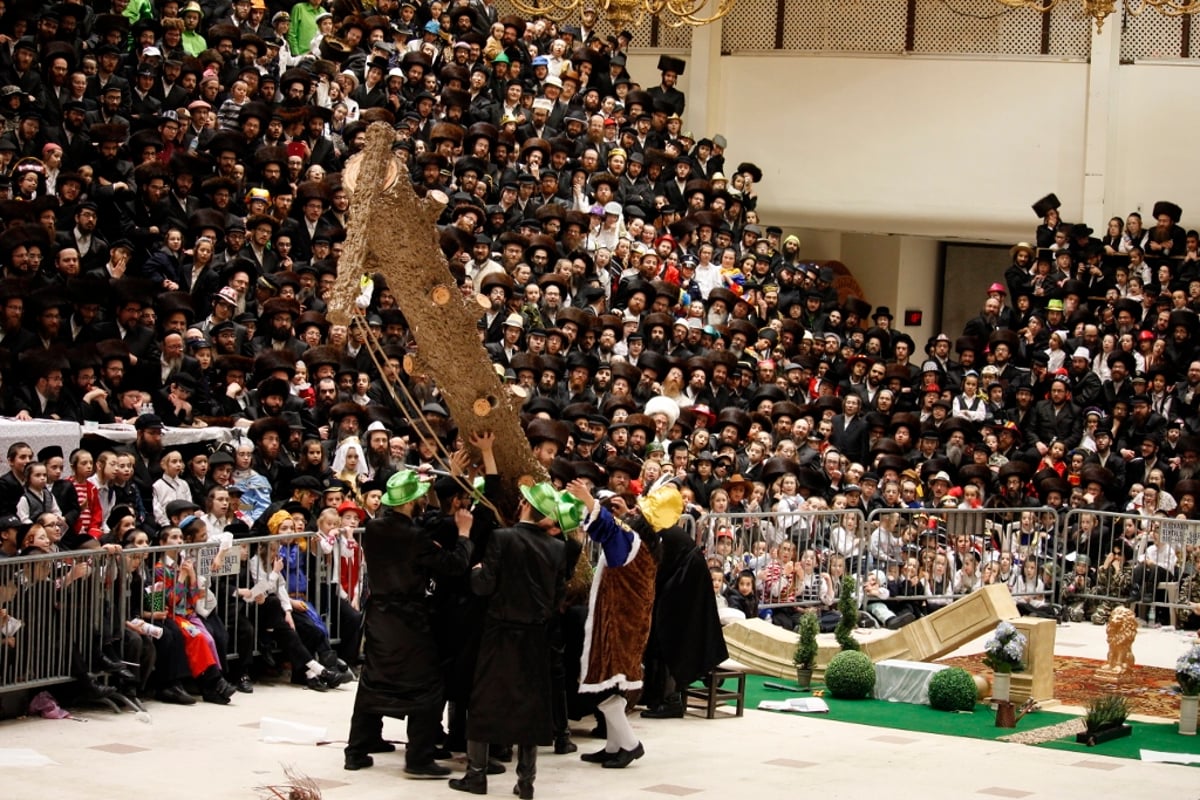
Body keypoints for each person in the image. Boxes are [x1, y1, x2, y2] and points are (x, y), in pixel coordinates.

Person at [345, 469, 472, 777]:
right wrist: (465, 534)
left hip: (378, 614)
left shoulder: (373, 528)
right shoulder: (415, 537)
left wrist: (423, 491)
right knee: (427, 685)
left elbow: (415, 522)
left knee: (373, 678)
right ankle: (419, 757)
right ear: (413, 501)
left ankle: (358, 749)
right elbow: (453, 565)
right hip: (409, 618)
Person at [449, 481, 568, 799]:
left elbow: (483, 585)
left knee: (484, 702)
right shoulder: (558, 548)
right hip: (535, 635)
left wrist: (475, 570)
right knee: (530, 707)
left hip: (500, 632)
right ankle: (526, 782)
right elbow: (559, 595)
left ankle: (476, 775)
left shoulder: (503, 538)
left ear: (526, 506)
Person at [565, 479, 682, 769]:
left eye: (637, 512)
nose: (632, 514)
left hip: (617, 623)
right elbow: (619, 529)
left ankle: (630, 744)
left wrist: (588, 500)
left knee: (608, 684)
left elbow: (608, 530)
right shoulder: (650, 545)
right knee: (613, 684)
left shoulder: (632, 541)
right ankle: (613, 745)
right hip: (632, 623)